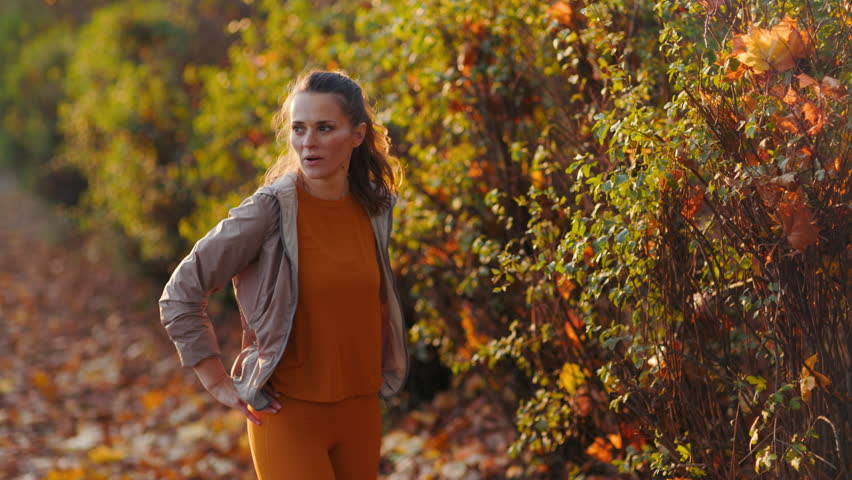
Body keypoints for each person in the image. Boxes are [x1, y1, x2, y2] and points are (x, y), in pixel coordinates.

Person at [158, 70, 409, 479]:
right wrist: (217, 380)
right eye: (299, 128)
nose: (308, 142)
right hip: (287, 416)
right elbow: (182, 292)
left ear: (357, 135)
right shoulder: (269, 210)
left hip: (361, 412)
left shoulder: (374, 208)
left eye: (324, 128)